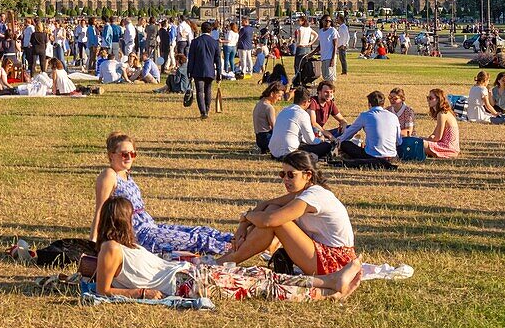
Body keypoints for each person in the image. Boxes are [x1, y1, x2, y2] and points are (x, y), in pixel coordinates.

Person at [94, 196, 362, 302]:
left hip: (189, 273)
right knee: (260, 285)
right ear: (122, 220)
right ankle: (327, 293)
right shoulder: (110, 249)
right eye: (131, 216)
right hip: (185, 283)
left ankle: (327, 281)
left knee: (258, 274)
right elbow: (103, 290)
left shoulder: (123, 246)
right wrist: (142, 292)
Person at [217, 152, 358, 277]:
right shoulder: (305, 193)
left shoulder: (313, 195)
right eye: (283, 174)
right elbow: (266, 204)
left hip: (336, 262)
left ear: (308, 175)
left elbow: (269, 220)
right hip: (325, 255)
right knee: (273, 208)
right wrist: (242, 227)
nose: (285, 179)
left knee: (278, 221)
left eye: (291, 175)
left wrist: (247, 215)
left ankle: (226, 261)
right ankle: (229, 257)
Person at [91, 132, 233, 255]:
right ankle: (234, 247)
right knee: (194, 240)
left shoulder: (125, 173)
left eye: (132, 154)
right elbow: (100, 211)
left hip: (150, 226)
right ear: (111, 155)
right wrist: (93, 244)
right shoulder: (109, 175)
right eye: (124, 154)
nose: (129, 157)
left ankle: (236, 238)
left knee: (200, 230)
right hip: (137, 234)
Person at [337, 91, 401, 166]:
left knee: (345, 144)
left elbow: (348, 134)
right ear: (383, 104)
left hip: (372, 156)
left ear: (369, 104)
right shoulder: (393, 116)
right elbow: (399, 141)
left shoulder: (365, 115)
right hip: (392, 156)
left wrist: (338, 140)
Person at [269, 88, 334, 160]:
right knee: (327, 146)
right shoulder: (302, 114)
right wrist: (321, 140)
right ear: (304, 102)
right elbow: (311, 140)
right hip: (289, 153)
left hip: (273, 152)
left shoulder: (283, 110)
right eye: (309, 102)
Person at [188, 21, 221, 119]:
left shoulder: (195, 42)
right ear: (210, 30)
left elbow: (191, 58)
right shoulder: (215, 43)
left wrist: (189, 72)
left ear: (201, 30)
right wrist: (219, 73)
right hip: (210, 70)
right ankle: (207, 109)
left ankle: (203, 112)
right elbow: (218, 60)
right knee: (208, 90)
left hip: (198, 70)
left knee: (199, 91)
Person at [423, 88, 460, 159]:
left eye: (431, 98)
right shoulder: (442, 113)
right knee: (417, 140)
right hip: (450, 147)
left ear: (438, 99)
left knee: (418, 144)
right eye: (428, 98)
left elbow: (437, 137)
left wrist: (427, 140)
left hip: (448, 148)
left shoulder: (442, 114)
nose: (428, 100)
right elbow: (434, 134)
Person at [253, 82, 283, 154]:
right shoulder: (269, 108)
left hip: (259, 139)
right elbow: (274, 127)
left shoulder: (259, 103)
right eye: (279, 96)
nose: (279, 99)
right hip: (267, 139)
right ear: (272, 94)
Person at [315, 16, 341, 82]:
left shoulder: (333, 30)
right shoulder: (321, 31)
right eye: (326, 21)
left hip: (330, 57)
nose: (328, 22)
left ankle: (330, 91)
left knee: (330, 78)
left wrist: (332, 59)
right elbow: (320, 46)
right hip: (323, 57)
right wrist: (311, 54)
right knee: (325, 76)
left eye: (329, 21)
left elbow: (335, 46)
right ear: (322, 21)